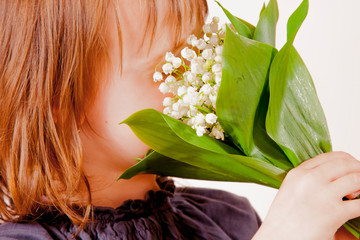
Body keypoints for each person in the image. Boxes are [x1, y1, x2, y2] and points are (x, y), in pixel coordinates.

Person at [0, 0, 359, 239]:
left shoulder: (227, 217)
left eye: (198, 48)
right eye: (166, 65)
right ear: (59, 100)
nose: (203, 72)